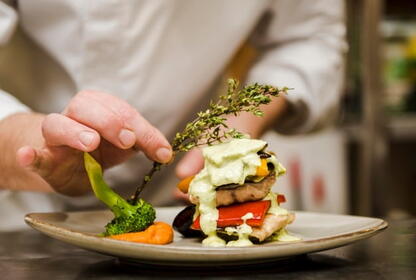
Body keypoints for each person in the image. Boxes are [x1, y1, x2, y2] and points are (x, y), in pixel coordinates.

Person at [0, 0, 346, 230]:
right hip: (19, 211)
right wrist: (31, 143)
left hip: (178, 206)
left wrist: (239, 120)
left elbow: (308, 36)